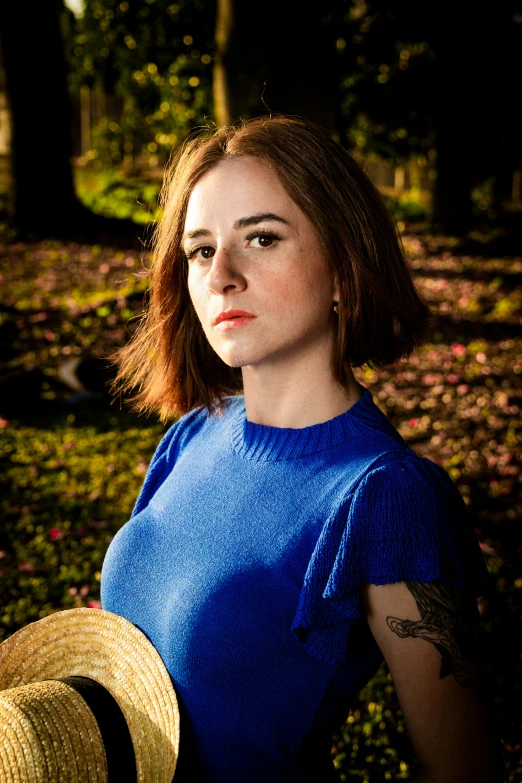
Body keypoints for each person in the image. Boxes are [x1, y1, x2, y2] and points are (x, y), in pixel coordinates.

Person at [100, 115, 501, 782]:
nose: (222, 274)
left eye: (261, 237)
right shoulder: (190, 436)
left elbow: (466, 769)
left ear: (344, 266)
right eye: (201, 250)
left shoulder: (385, 495)